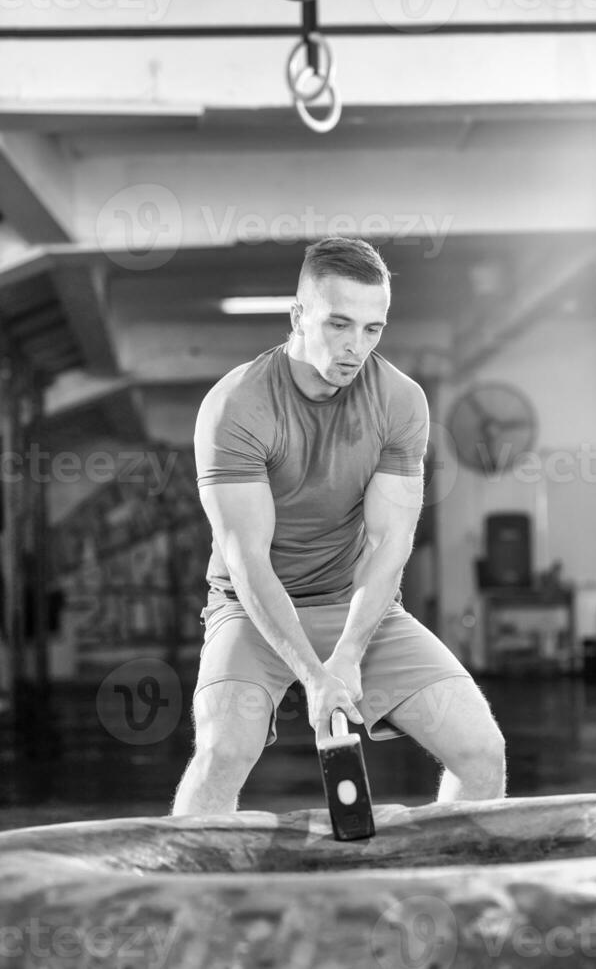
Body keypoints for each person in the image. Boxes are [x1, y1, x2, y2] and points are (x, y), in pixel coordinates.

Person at [172, 237, 505, 815]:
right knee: (223, 752)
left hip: (357, 605)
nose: (356, 348)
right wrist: (313, 674)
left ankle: (452, 889)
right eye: (339, 325)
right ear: (298, 316)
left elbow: (391, 541)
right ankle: (185, 907)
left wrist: (348, 652)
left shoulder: (400, 399)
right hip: (251, 609)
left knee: (481, 750)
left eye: (373, 329)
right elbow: (248, 560)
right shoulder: (236, 406)